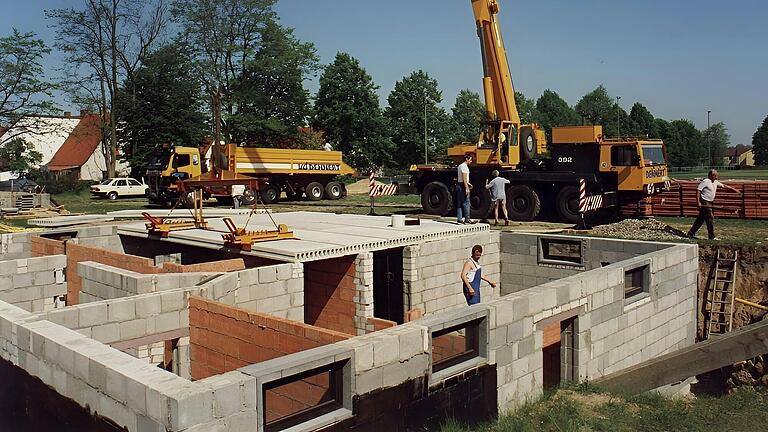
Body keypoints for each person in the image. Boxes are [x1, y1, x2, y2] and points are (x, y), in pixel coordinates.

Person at [687, 169, 741, 240]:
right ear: (711, 175)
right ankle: (711, 236)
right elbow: (698, 190)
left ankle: (691, 233)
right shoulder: (705, 181)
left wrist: (734, 189)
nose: (717, 177)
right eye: (715, 175)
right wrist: (698, 202)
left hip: (710, 202)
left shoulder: (715, 182)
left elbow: (723, 186)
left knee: (700, 219)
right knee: (710, 218)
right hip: (704, 201)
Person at [456, 153, 474, 224]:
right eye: (470, 160)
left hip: (459, 184)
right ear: (467, 159)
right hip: (462, 186)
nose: (471, 161)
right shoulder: (464, 167)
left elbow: (462, 178)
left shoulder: (460, 166)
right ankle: (467, 219)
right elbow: (464, 178)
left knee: (459, 202)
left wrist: (468, 183)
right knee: (467, 203)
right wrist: (467, 188)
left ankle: (459, 218)